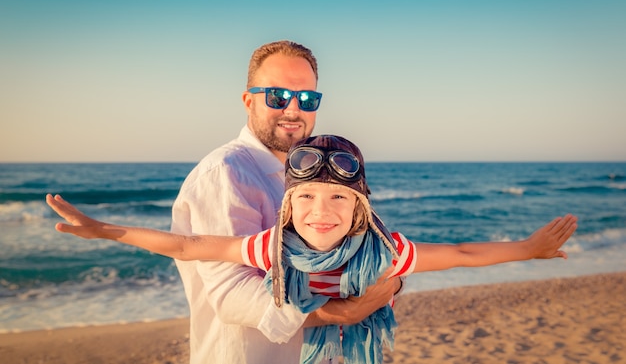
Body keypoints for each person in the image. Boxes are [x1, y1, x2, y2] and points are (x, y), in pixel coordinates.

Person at [47, 135, 578, 364]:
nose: (319, 211)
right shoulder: (271, 247)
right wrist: (105, 230)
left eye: (337, 199)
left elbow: (461, 253)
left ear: (359, 208)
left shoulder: (385, 250)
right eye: (304, 197)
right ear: (287, 204)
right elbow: (189, 245)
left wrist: (529, 249)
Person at [146, 40, 401, 364]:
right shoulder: (225, 172)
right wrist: (343, 312)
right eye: (278, 96)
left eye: (307, 98)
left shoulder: (311, 174)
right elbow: (233, 295)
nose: (293, 109)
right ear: (248, 101)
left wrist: (389, 281)